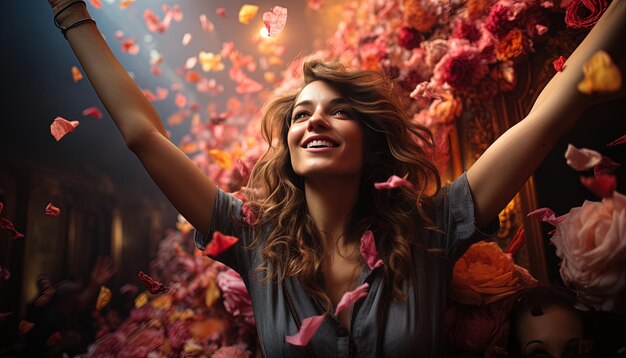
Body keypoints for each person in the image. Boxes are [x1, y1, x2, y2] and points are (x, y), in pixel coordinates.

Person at [45, 0, 626, 356]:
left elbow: (550, 116)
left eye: (338, 110)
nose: (315, 119)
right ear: (290, 147)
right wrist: (70, 10)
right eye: (301, 114)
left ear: (371, 139)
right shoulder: (252, 239)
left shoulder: (434, 227)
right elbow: (144, 135)